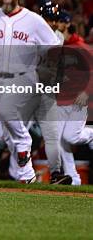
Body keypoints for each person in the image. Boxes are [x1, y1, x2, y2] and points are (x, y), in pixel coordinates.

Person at [0, 0, 68, 184]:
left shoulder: (33, 20)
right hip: (0, 79)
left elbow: (54, 47)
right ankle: (2, 147)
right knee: (13, 129)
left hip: (27, 79)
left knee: (16, 127)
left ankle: (25, 172)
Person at [55, 13, 93, 185]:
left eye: (61, 21)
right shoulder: (57, 45)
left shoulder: (81, 46)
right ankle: (74, 179)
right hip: (61, 99)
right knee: (60, 139)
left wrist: (86, 92)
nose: (58, 24)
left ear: (68, 24)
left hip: (78, 99)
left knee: (71, 137)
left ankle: (91, 135)